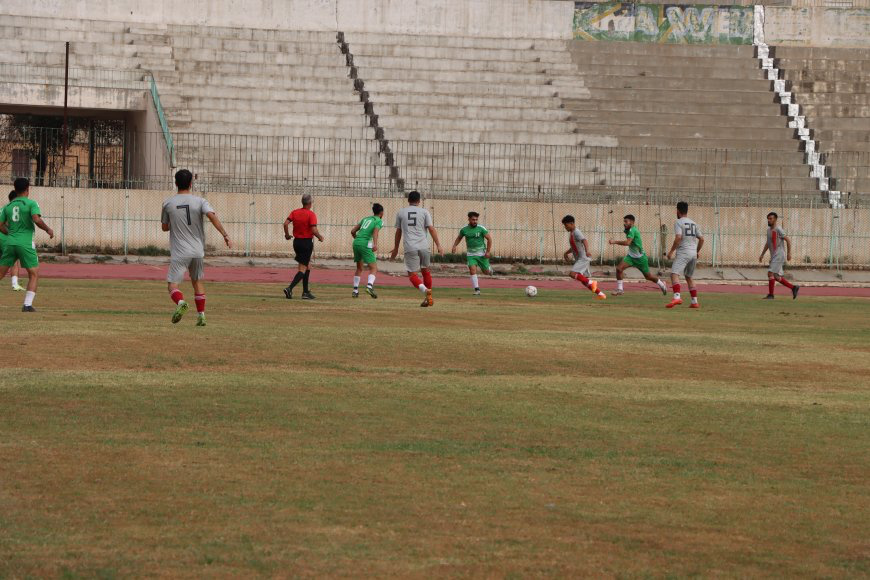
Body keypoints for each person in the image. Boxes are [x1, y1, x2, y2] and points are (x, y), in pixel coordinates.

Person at [161, 169, 231, 326]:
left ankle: (180, 303)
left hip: (180, 251)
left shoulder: (168, 203)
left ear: (176, 183)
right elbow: (212, 216)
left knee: (172, 284)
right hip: (198, 251)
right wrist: (224, 234)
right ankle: (201, 316)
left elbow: (165, 227)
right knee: (197, 281)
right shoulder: (200, 201)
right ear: (191, 184)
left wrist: (176, 222)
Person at [0, 178, 54, 312]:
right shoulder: (31, 203)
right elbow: (36, 219)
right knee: (34, 273)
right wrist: (48, 229)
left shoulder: (8, 206)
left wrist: (10, 233)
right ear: (28, 189)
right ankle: (27, 305)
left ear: (15, 188)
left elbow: (0, 225)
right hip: (25, 243)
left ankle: (27, 304)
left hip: (10, 243)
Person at [390, 190, 443, 307]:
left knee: (412, 275)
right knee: (426, 271)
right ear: (419, 201)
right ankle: (428, 297)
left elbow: (398, 232)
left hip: (410, 247)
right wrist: (438, 245)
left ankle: (426, 291)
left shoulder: (401, 212)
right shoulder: (424, 212)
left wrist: (395, 248)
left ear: (408, 200)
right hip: (424, 246)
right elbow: (431, 229)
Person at [608, 214, 668, 296]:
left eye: (626, 221)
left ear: (632, 222)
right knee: (619, 269)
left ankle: (661, 284)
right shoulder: (629, 230)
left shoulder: (633, 230)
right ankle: (620, 289)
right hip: (631, 257)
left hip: (640, 259)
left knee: (648, 277)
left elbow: (627, 242)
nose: (624, 223)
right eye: (624, 221)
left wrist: (614, 242)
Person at [283, 194, 323, 300]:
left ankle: (305, 292)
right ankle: (289, 288)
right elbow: (314, 230)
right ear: (309, 203)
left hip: (296, 242)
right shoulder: (311, 214)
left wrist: (287, 235)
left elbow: (286, 224)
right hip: (306, 243)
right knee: (302, 268)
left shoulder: (294, 212)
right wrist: (320, 237)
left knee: (307, 266)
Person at [665, 201, 704, 309]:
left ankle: (677, 297)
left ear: (677, 211)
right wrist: (697, 251)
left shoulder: (678, 222)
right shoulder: (693, 223)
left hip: (684, 252)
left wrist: (671, 251)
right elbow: (701, 238)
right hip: (693, 254)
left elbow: (678, 237)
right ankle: (694, 302)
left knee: (674, 274)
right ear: (687, 210)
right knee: (689, 277)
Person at [561, 215, 606, 300]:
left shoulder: (576, 232)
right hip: (581, 259)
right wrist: (566, 253)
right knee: (584, 281)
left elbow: (584, 240)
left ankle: (593, 282)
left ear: (571, 223)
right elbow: (574, 247)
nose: (565, 227)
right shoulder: (572, 233)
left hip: (583, 258)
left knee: (572, 274)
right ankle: (601, 294)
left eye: (566, 225)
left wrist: (587, 251)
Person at [451, 211, 493, 296]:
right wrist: (454, 246)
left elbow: (489, 239)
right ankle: (477, 290)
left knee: (486, 272)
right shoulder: (464, 229)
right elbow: (459, 238)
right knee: (472, 270)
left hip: (482, 254)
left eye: (476, 220)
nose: (475, 221)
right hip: (471, 255)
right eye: (473, 219)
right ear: (469, 219)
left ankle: (489, 269)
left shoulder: (481, 228)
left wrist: (488, 251)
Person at [760, 212, 799, 300]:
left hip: (779, 254)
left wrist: (789, 253)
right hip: (774, 256)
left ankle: (771, 295)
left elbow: (788, 240)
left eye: (771, 218)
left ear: (775, 219)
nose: (769, 220)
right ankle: (793, 288)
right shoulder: (768, 230)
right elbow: (768, 243)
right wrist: (762, 254)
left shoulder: (779, 229)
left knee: (770, 273)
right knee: (776, 277)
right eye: (768, 219)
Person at [350, 203, 384, 298]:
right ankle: (369, 286)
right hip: (365, 244)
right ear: (381, 213)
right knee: (373, 267)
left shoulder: (365, 219)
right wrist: (375, 244)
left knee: (359, 268)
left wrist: (358, 240)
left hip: (356, 242)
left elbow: (353, 231)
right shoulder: (379, 221)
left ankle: (355, 290)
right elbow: (375, 232)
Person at [0, 190, 25, 291]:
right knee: (13, 260)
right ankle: (15, 284)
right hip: (5, 238)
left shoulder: (4, 208)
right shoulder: (15, 209)